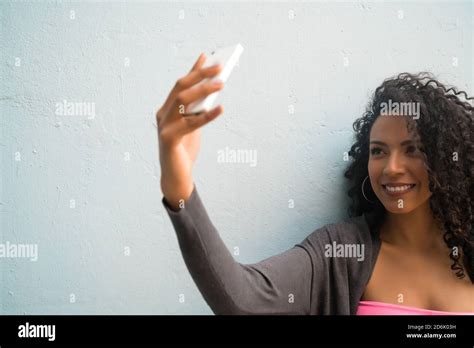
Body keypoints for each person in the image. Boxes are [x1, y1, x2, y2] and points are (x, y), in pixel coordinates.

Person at [156, 53, 473, 315]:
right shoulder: (341, 252)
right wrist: (179, 184)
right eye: (379, 151)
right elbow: (242, 300)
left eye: (412, 149)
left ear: (444, 157)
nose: (391, 168)